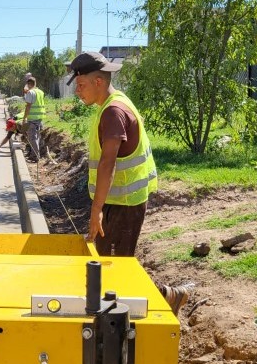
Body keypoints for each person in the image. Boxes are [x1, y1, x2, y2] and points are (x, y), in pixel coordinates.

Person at [67, 51, 192, 315]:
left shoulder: (114, 111)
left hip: (123, 205)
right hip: (118, 202)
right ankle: (166, 297)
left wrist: (95, 210)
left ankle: (165, 299)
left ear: (98, 82)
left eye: (81, 85)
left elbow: (108, 163)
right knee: (112, 267)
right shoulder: (112, 104)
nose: (77, 92)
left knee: (115, 270)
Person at [22, 77, 45, 162]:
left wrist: (24, 118)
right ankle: (33, 154)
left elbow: (28, 106)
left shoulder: (30, 92)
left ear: (29, 84)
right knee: (36, 138)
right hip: (40, 118)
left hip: (33, 119)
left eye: (27, 85)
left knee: (32, 138)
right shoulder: (40, 92)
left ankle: (35, 156)